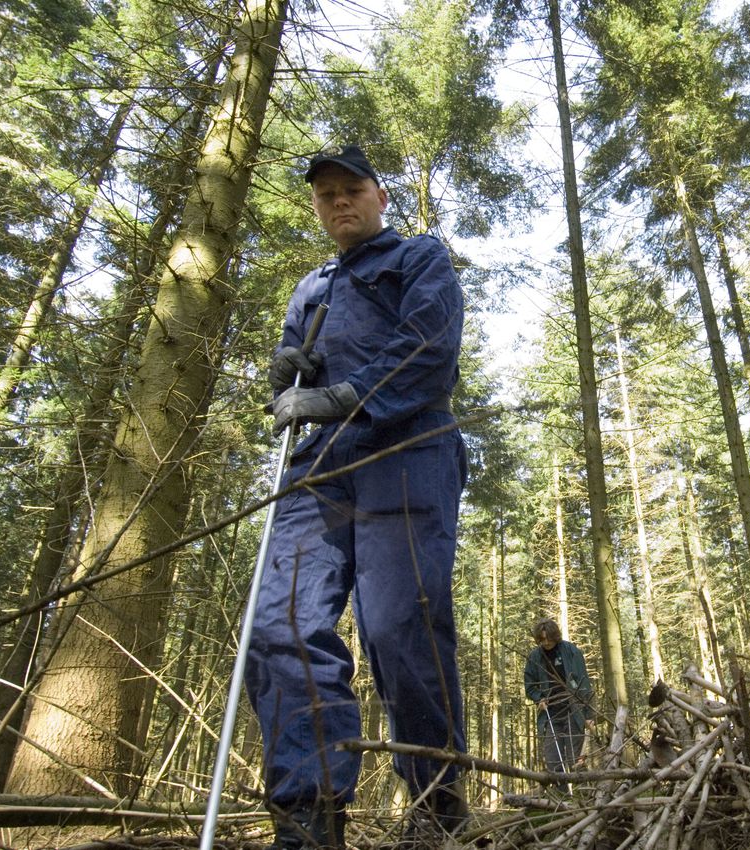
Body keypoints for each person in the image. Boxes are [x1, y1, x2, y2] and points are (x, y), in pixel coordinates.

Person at [245, 145, 469, 850]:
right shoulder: (310, 290)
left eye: (351, 189)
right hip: (316, 467)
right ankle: (308, 811)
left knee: (402, 623)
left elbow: (428, 350)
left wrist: (344, 394)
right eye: (325, 195)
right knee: (282, 622)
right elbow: (290, 391)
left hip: (406, 448)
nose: (338, 202)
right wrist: (285, 377)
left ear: (379, 197)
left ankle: (437, 805)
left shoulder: (418, 258)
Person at [523, 619, 595, 787]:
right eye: (542, 639)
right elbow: (530, 685)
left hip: (573, 711)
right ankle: (560, 800)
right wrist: (538, 698)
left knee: (576, 758)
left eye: (549, 638)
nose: (546, 642)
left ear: (555, 636)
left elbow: (584, 683)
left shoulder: (571, 651)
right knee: (553, 759)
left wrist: (588, 714)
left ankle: (582, 794)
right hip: (550, 715)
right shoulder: (535, 657)